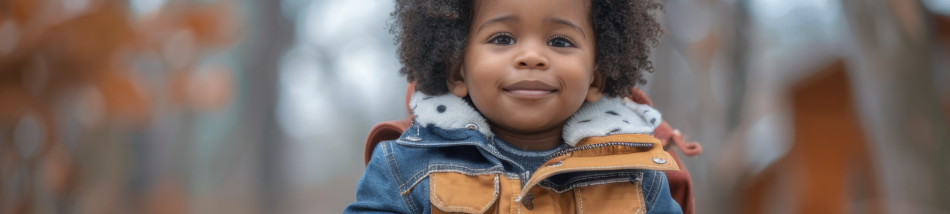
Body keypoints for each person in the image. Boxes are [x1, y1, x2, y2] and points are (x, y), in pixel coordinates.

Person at [345, 0, 683, 213]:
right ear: (456, 71)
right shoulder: (405, 168)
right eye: (502, 38)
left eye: (559, 41)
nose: (532, 57)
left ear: (596, 78)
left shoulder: (636, 176)